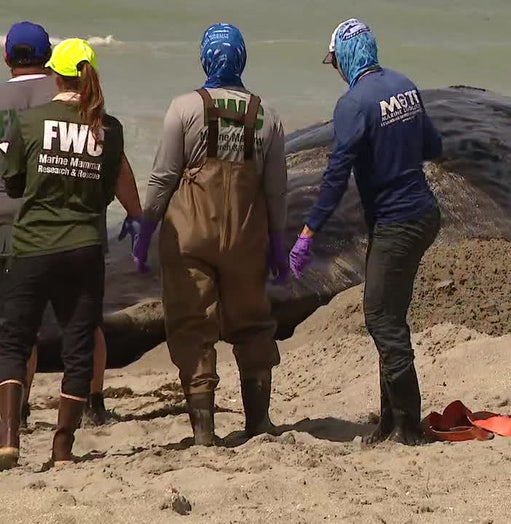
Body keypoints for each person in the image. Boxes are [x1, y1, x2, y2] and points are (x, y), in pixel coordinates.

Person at [132, 23, 288, 446]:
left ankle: (204, 433)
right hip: (246, 237)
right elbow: (276, 190)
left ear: (205, 58)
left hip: (190, 236)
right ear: (241, 59)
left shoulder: (184, 108)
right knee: (253, 323)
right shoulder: (266, 114)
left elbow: (163, 178)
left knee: (192, 325)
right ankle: (258, 423)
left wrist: (145, 233)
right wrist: (279, 245)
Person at [289, 18, 443, 446]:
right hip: (422, 214)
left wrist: (308, 231)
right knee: (388, 313)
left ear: (346, 59)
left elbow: (337, 177)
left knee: (380, 317)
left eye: (335, 61)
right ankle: (389, 422)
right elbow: (434, 147)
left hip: (398, 222)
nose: (336, 69)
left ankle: (410, 427)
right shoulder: (405, 85)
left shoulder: (352, 104)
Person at [0, 38, 137, 469]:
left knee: (15, 340)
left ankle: (8, 440)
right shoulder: (109, 130)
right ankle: (61, 449)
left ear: (55, 74)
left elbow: (15, 185)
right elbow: (109, 190)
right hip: (83, 248)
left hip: (32, 246)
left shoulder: (29, 122)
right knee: (79, 345)